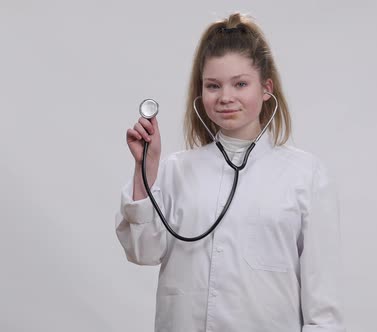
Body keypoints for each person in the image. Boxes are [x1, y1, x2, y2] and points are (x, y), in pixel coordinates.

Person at [116, 12, 346, 332]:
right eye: (213, 85)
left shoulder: (306, 177)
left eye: (240, 83)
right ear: (201, 92)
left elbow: (324, 313)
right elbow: (143, 252)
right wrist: (147, 168)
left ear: (266, 89)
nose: (225, 97)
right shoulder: (175, 170)